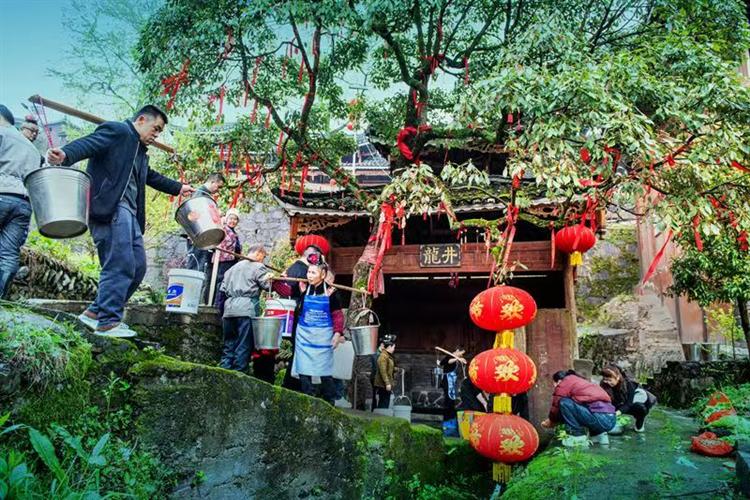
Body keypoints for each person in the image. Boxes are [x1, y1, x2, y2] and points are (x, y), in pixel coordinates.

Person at [47, 105, 194, 337]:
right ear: (141, 119)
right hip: (110, 208)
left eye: (159, 131)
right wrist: (65, 154)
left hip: (130, 214)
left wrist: (178, 187)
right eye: (156, 128)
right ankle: (108, 322)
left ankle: (95, 313)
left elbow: (150, 176)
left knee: (138, 267)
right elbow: (89, 143)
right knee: (120, 263)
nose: (156, 135)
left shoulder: (139, 152)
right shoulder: (118, 131)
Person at [274, 238, 329, 391]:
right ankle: (299, 387)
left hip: (296, 313)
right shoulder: (304, 270)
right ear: (313, 257)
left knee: (299, 351)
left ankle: (291, 386)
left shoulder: (294, 268)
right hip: (301, 314)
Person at [0, 105, 41, 298]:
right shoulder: (34, 150)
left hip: (2, 192)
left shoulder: (3, 134)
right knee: (9, 253)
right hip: (24, 202)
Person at [293, 262, 345, 405]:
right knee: (303, 368)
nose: (309, 276)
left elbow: (338, 315)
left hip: (323, 337)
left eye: (313, 273)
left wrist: (337, 334)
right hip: (304, 336)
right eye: (308, 272)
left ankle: (329, 401)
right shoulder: (304, 290)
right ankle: (308, 398)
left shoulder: (331, 292)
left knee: (324, 370)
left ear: (323, 275)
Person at [219, 244, 271, 373]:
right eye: (263, 256)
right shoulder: (258, 267)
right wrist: (271, 278)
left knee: (229, 343)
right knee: (244, 343)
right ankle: (239, 373)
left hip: (229, 309)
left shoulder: (231, 268)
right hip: (247, 308)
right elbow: (267, 286)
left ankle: (224, 370)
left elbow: (222, 290)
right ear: (259, 253)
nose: (263, 259)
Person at [541, 370, 616, 448]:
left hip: (600, 419)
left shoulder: (564, 383)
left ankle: (576, 436)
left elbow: (556, 404)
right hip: (611, 419)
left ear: (559, 381)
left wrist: (551, 421)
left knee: (564, 402)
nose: (555, 386)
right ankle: (599, 437)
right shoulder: (582, 382)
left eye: (554, 384)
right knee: (587, 407)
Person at [185, 172, 226, 276]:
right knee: (196, 266)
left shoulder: (204, 195)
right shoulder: (200, 195)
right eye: (218, 186)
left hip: (201, 235)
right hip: (199, 234)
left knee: (200, 266)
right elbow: (195, 215)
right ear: (213, 182)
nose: (218, 190)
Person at [600, 364, 656, 433]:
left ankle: (639, 424)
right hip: (616, 403)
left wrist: (616, 414)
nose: (607, 382)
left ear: (617, 377)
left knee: (641, 408)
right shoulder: (603, 384)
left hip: (629, 404)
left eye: (609, 380)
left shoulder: (629, 384)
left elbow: (629, 403)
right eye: (605, 379)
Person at [213, 207, 242, 310]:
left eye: (235, 219)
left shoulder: (234, 232)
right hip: (224, 259)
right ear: (226, 219)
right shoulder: (224, 229)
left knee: (228, 281)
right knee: (221, 280)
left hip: (232, 260)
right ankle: (217, 303)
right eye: (231, 218)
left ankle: (222, 303)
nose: (233, 221)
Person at [440, 347, 466, 436]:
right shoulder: (449, 357)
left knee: (452, 400)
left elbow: (464, 362)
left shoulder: (457, 359)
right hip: (447, 381)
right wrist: (457, 358)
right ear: (456, 351)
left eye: (462, 353)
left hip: (452, 381)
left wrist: (461, 360)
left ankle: (451, 419)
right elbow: (443, 362)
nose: (461, 354)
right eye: (460, 352)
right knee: (448, 400)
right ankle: (446, 421)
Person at [374, 337, 397, 409]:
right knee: (383, 402)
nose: (394, 349)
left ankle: (382, 413)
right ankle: (381, 414)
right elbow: (383, 371)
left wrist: (397, 369)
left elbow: (389, 368)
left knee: (385, 401)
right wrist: (387, 383)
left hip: (385, 383)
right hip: (382, 384)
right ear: (389, 347)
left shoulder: (387, 356)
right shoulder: (383, 356)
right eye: (393, 347)